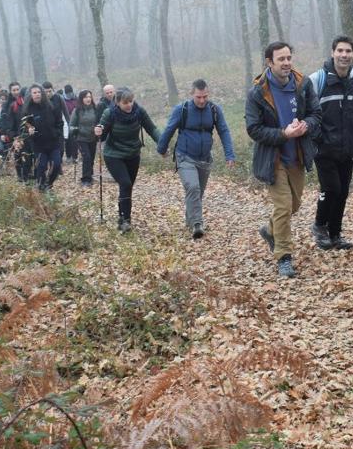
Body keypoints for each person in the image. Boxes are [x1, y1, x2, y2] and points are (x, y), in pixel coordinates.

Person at [245, 41, 320, 278]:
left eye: (289, 58)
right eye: (281, 59)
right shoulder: (258, 92)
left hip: (296, 155)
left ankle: (270, 230)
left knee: (294, 206)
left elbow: (316, 114)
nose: (287, 63)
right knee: (283, 206)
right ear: (269, 62)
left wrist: (306, 125)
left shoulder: (303, 84)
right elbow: (254, 129)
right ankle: (284, 258)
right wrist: (283, 134)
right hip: (273, 158)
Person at [308, 35, 353, 250]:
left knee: (342, 191)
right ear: (333, 52)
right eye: (340, 51)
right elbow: (307, 112)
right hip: (324, 149)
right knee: (331, 188)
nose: (344, 55)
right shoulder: (318, 80)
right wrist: (318, 138)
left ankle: (335, 233)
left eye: (348, 51)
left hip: (347, 148)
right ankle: (319, 226)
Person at [157, 78, 236, 239]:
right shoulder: (182, 109)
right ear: (191, 94)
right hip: (185, 156)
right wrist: (162, 149)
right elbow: (169, 129)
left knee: (197, 193)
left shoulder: (214, 110)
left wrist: (229, 154)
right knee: (193, 188)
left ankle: (190, 219)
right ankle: (197, 224)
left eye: (205, 97)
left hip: (205, 158)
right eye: (198, 97)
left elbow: (224, 131)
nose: (202, 100)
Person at [95, 87, 160, 232]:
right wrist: (98, 131)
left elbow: (152, 129)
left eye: (131, 101)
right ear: (117, 102)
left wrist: (162, 144)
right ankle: (126, 220)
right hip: (114, 155)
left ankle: (121, 216)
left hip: (133, 154)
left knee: (128, 186)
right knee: (125, 183)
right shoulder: (110, 113)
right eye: (125, 102)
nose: (129, 105)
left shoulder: (139, 112)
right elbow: (102, 135)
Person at [23, 84, 65, 191]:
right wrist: (29, 131)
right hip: (39, 145)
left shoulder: (52, 106)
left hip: (53, 143)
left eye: (39, 92)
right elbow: (24, 128)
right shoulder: (28, 110)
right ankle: (41, 186)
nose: (37, 94)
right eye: (34, 93)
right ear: (31, 95)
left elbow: (60, 123)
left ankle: (49, 184)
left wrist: (56, 133)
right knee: (41, 167)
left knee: (56, 165)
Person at [69, 89, 100, 186]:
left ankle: (90, 175)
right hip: (81, 138)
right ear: (81, 98)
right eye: (86, 97)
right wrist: (76, 132)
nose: (88, 99)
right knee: (86, 157)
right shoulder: (77, 110)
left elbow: (99, 122)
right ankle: (85, 179)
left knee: (91, 158)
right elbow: (72, 125)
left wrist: (98, 129)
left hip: (93, 138)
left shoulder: (95, 109)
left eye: (90, 97)